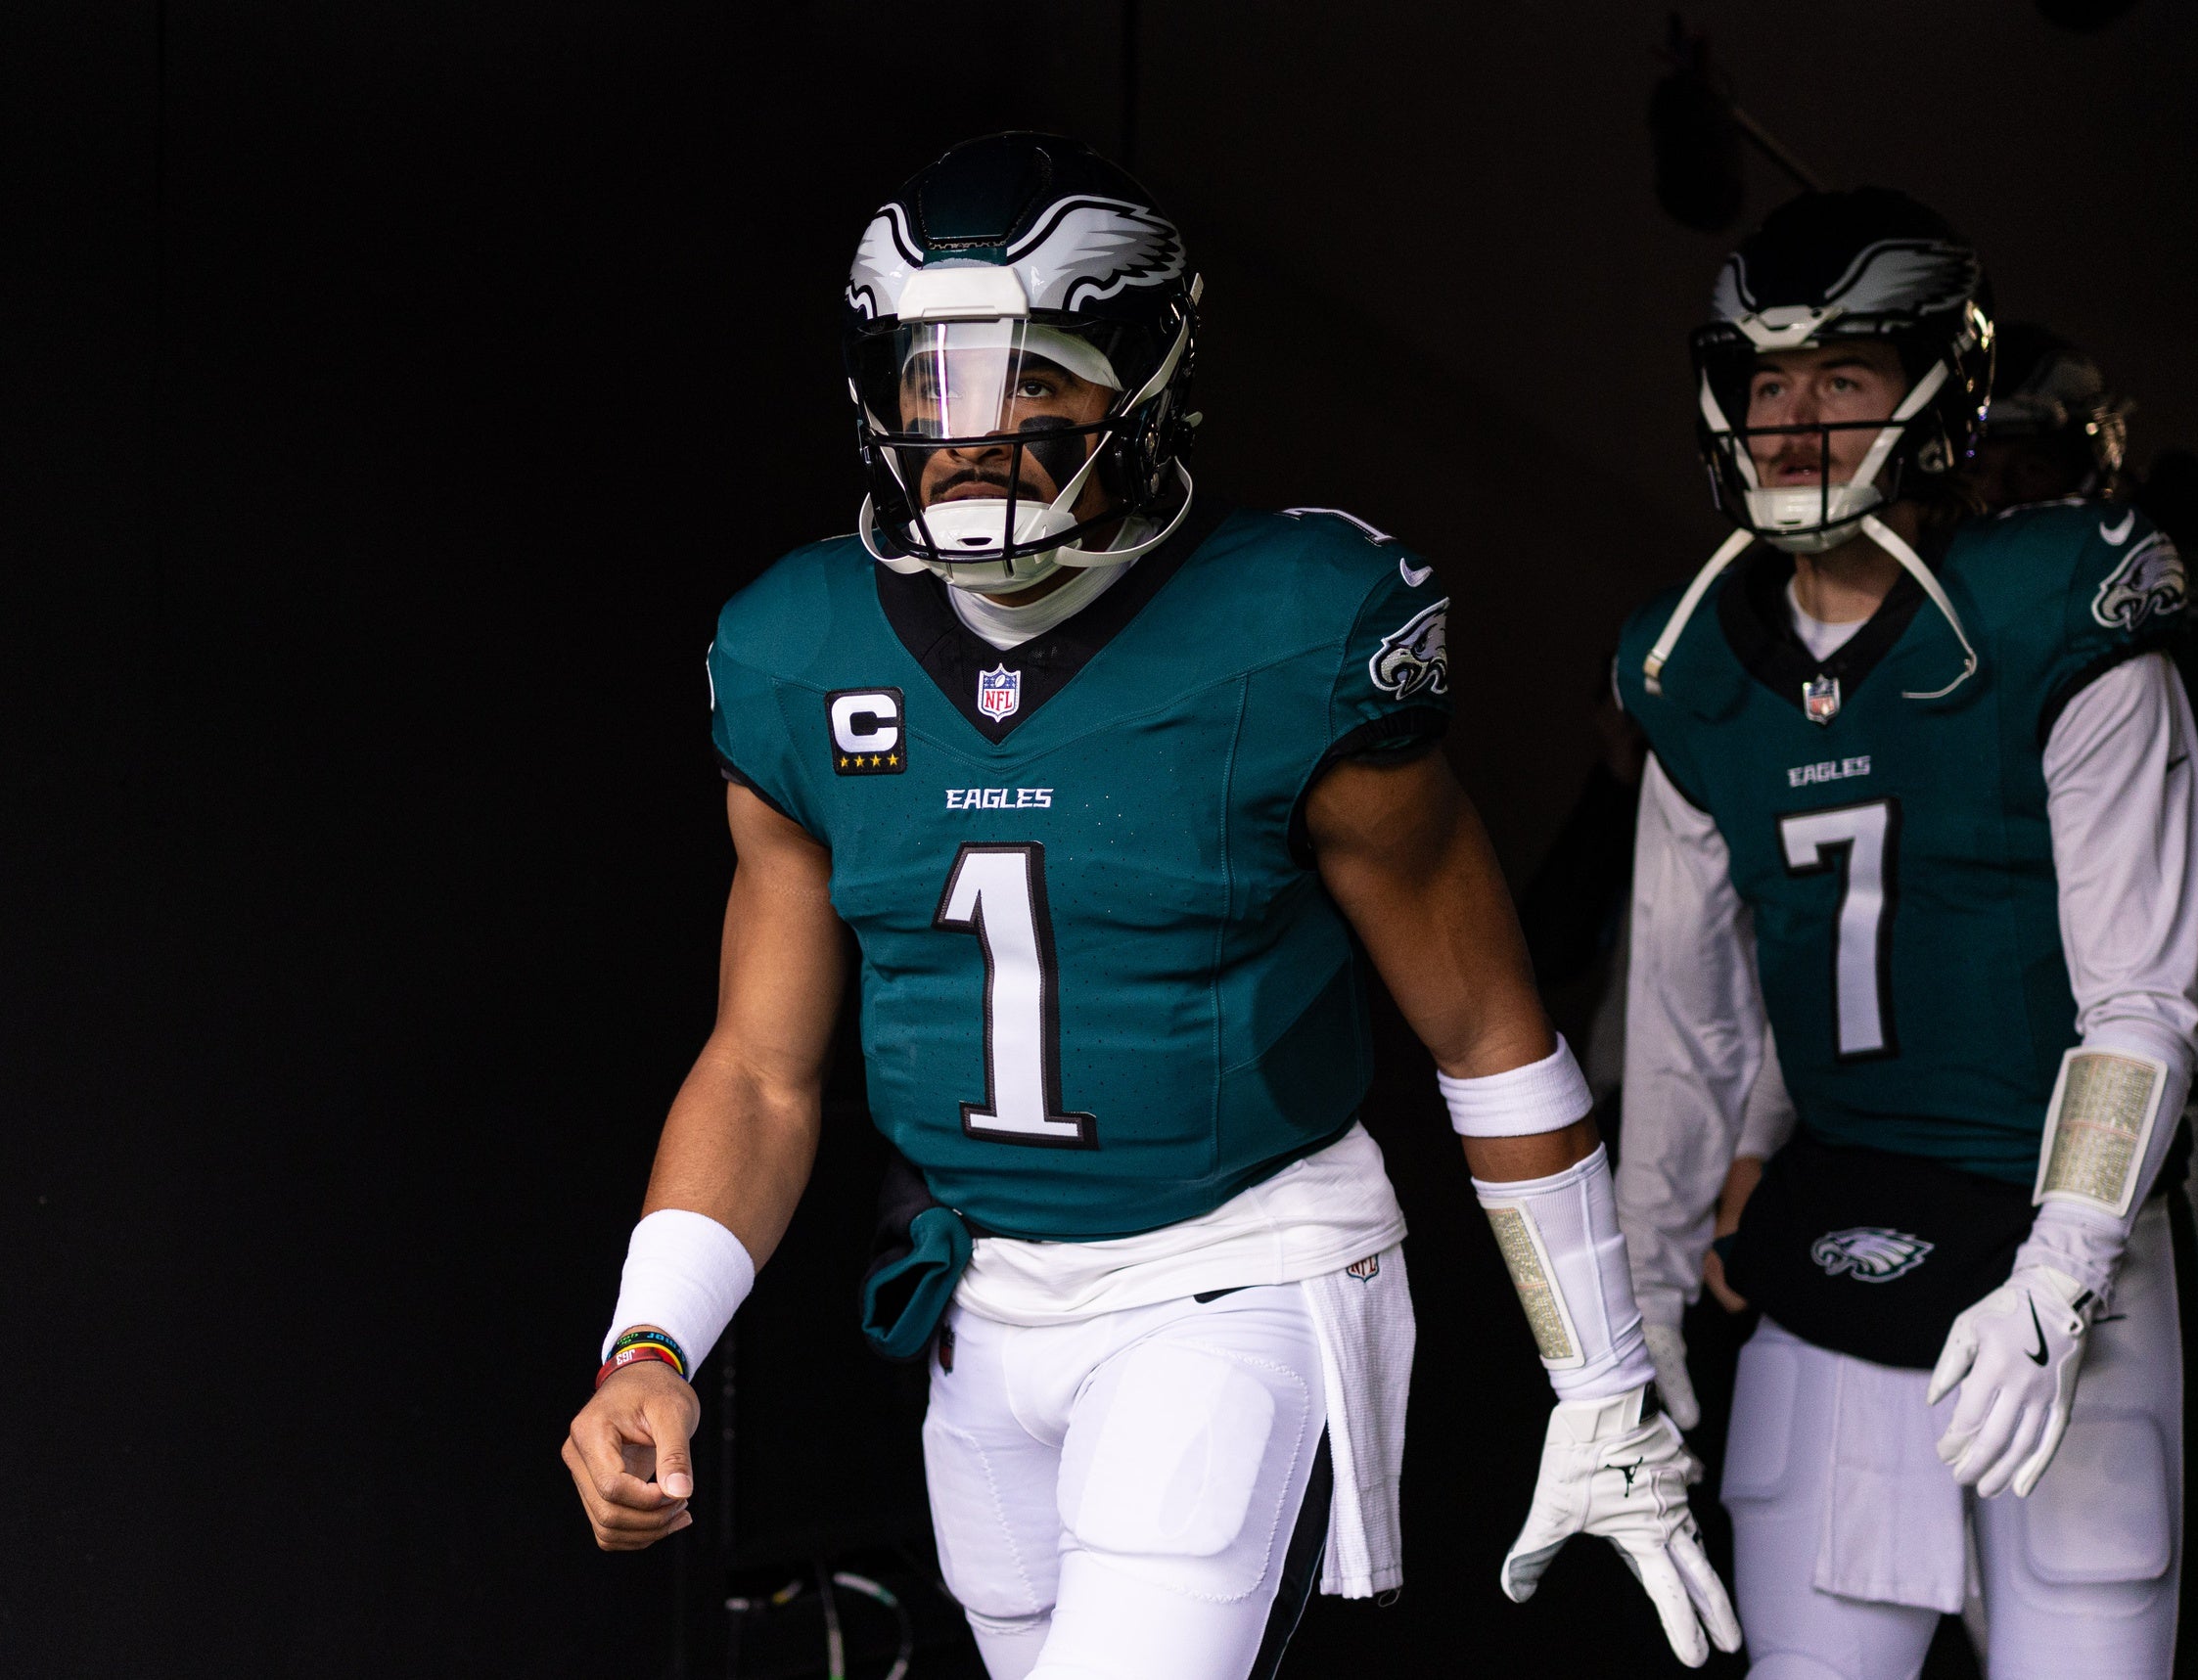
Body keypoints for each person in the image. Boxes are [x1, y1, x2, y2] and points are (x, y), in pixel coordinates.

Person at [560, 133, 1740, 1678]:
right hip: (987, 1299)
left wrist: (1602, 1370)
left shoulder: (1288, 625)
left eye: (1030, 378)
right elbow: (762, 1069)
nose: (972, 433)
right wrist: (650, 1344)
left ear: (1145, 376)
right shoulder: (802, 648)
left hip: (1236, 1268)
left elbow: (1488, 1029)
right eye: (934, 380)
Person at [1614, 189, 2198, 1678]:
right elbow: (1692, 1020)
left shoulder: (2051, 613)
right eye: (1768, 378)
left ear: (1939, 388)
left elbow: (2141, 1002)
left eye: (1846, 374)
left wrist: (2059, 1276)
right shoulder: (1699, 663)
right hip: (1837, 1232)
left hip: (2068, 1252)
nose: (1796, 415)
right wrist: (1647, 1278)